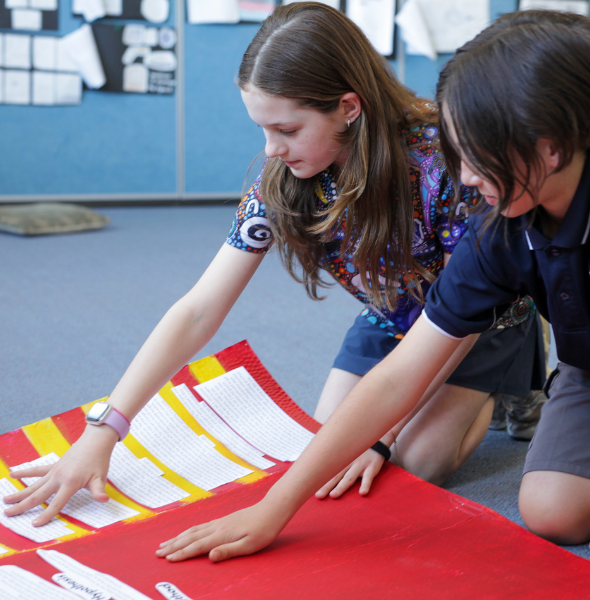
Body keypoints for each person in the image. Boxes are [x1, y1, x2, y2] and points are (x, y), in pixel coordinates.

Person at [148, 10, 590, 584]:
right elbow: (401, 371)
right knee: (554, 511)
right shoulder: (504, 216)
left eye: (474, 155)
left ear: (549, 149)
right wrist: (274, 507)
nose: (464, 177)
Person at [3, 2, 544, 528]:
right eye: (263, 129)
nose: (272, 150)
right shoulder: (285, 178)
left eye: (287, 130)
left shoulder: (440, 165)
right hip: (390, 314)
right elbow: (198, 310)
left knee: (412, 461)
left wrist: (384, 435)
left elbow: (456, 316)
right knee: (328, 446)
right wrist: (104, 430)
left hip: (472, 325)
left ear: (349, 107)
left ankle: (510, 376)